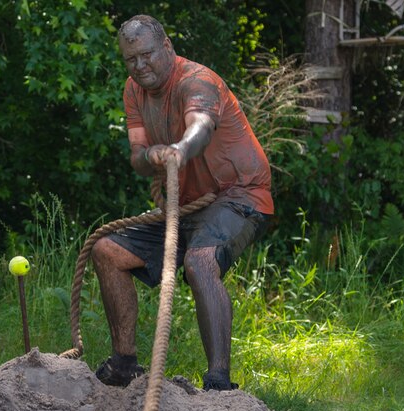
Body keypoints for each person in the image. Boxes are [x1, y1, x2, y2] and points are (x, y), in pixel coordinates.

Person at [92, 14, 273, 391]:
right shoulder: (133, 91)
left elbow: (201, 127)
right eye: (131, 59)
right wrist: (153, 157)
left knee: (199, 260)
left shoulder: (196, 81)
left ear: (167, 48)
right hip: (187, 205)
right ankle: (125, 364)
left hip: (239, 196)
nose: (140, 66)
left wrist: (179, 150)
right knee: (107, 250)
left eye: (147, 55)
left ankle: (219, 381)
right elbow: (137, 156)